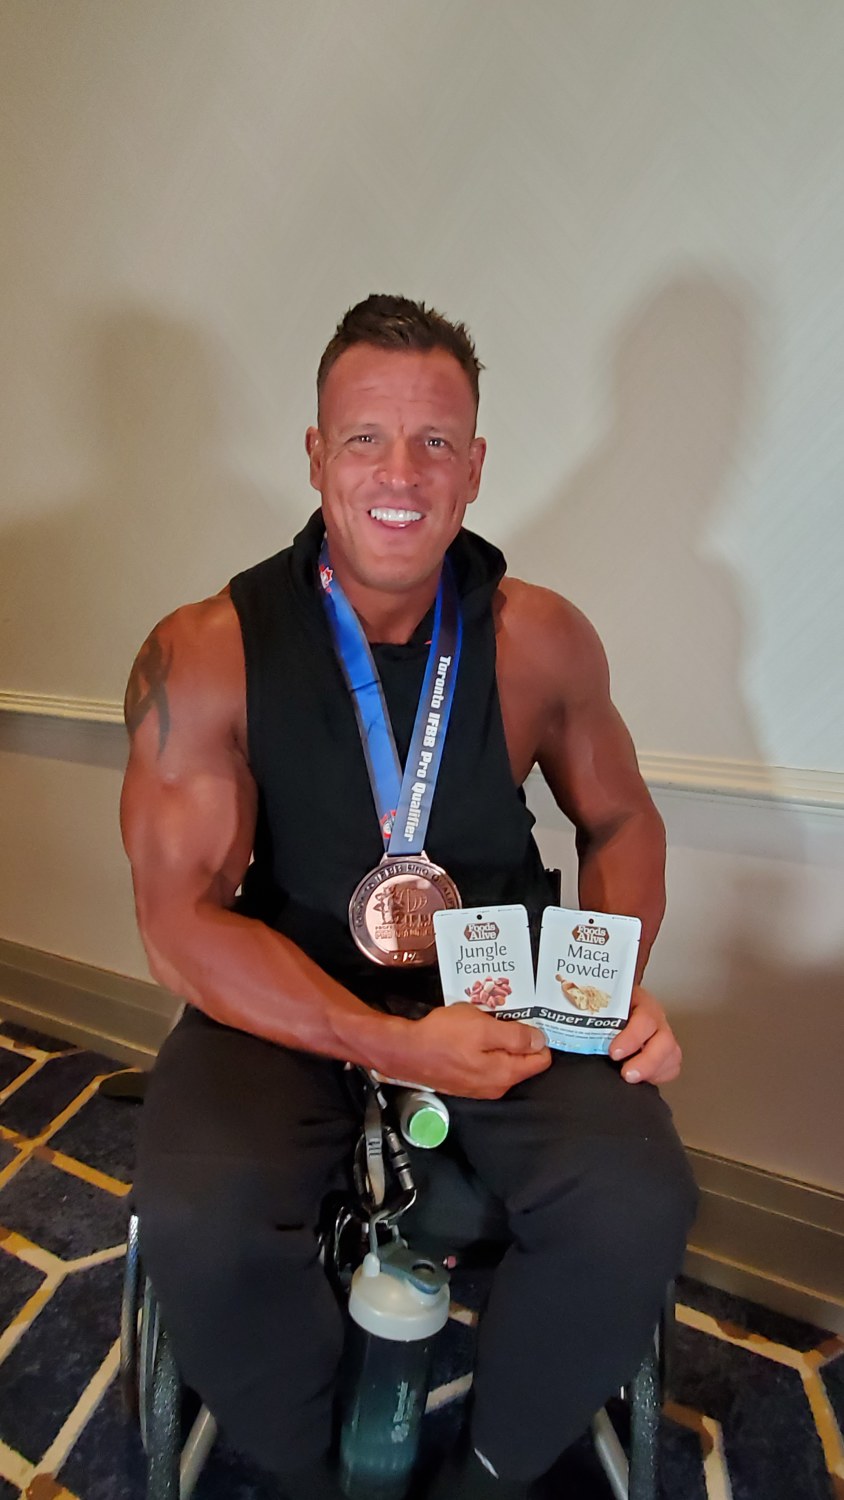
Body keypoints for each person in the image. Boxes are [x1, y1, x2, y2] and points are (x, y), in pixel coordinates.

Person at [121, 294, 697, 1500]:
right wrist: (390, 1042)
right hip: (290, 990)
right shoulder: (210, 650)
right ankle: (306, 1470)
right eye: (364, 438)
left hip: (503, 984)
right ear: (316, 455)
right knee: (202, 1215)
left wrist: (610, 979)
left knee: (634, 1205)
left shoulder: (540, 639)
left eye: (434, 441)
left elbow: (621, 820)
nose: (400, 473)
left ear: (473, 466)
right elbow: (178, 919)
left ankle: (484, 1474)